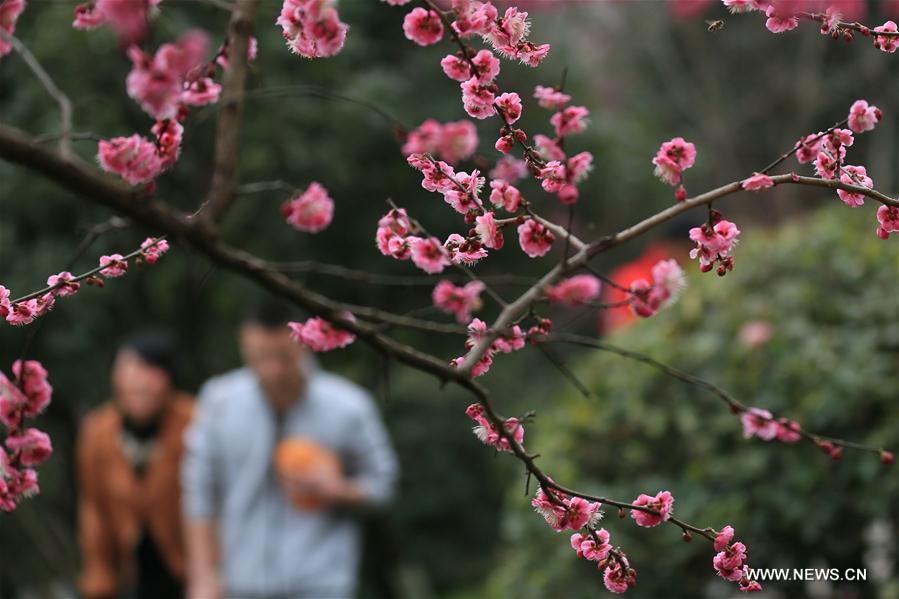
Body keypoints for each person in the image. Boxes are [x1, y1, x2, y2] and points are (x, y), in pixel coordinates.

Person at [182, 300, 399, 599]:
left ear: (306, 343)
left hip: (321, 583)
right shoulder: (218, 401)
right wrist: (204, 577)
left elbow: (383, 485)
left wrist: (336, 490)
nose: (272, 369)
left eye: (283, 357)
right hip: (239, 583)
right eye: (260, 356)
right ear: (243, 343)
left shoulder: (348, 406)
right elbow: (199, 493)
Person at [77, 332, 194, 599]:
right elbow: (94, 510)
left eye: (149, 371)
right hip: (134, 575)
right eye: (128, 369)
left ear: (169, 378)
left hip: (188, 571)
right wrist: (100, 579)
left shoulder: (196, 422)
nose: (137, 381)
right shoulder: (97, 432)